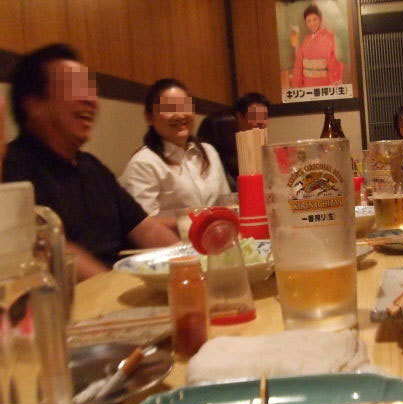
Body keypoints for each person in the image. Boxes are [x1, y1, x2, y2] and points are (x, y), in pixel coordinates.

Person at [2, 44, 179, 280]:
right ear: (34, 105)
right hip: (77, 299)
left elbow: (146, 230)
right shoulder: (12, 169)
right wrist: (115, 289)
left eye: (91, 89)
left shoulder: (92, 167)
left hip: (118, 288)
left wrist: (190, 266)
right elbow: (54, 251)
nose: (91, 100)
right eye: (75, 88)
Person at [119, 78, 230, 224]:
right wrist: (197, 221)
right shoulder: (143, 163)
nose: (180, 115)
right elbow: (142, 224)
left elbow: (225, 203)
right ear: (149, 117)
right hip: (173, 239)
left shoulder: (209, 152)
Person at [197, 92, 270, 192]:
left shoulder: (259, 148)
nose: (261, 122)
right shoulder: (223, 148)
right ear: (239, 117)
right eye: (256, 116)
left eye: (264, 116)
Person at [291, 4, 342, 88]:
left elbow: (334, 61)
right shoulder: (306, 40)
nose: (312, 23)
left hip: (325, 83)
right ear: (305, 23)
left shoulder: (329, 37)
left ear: (320, 19)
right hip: (307, 84)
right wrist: (297, 83)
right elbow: (299, 63)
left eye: (315, 19)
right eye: (309, 21)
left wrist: (335, 82)